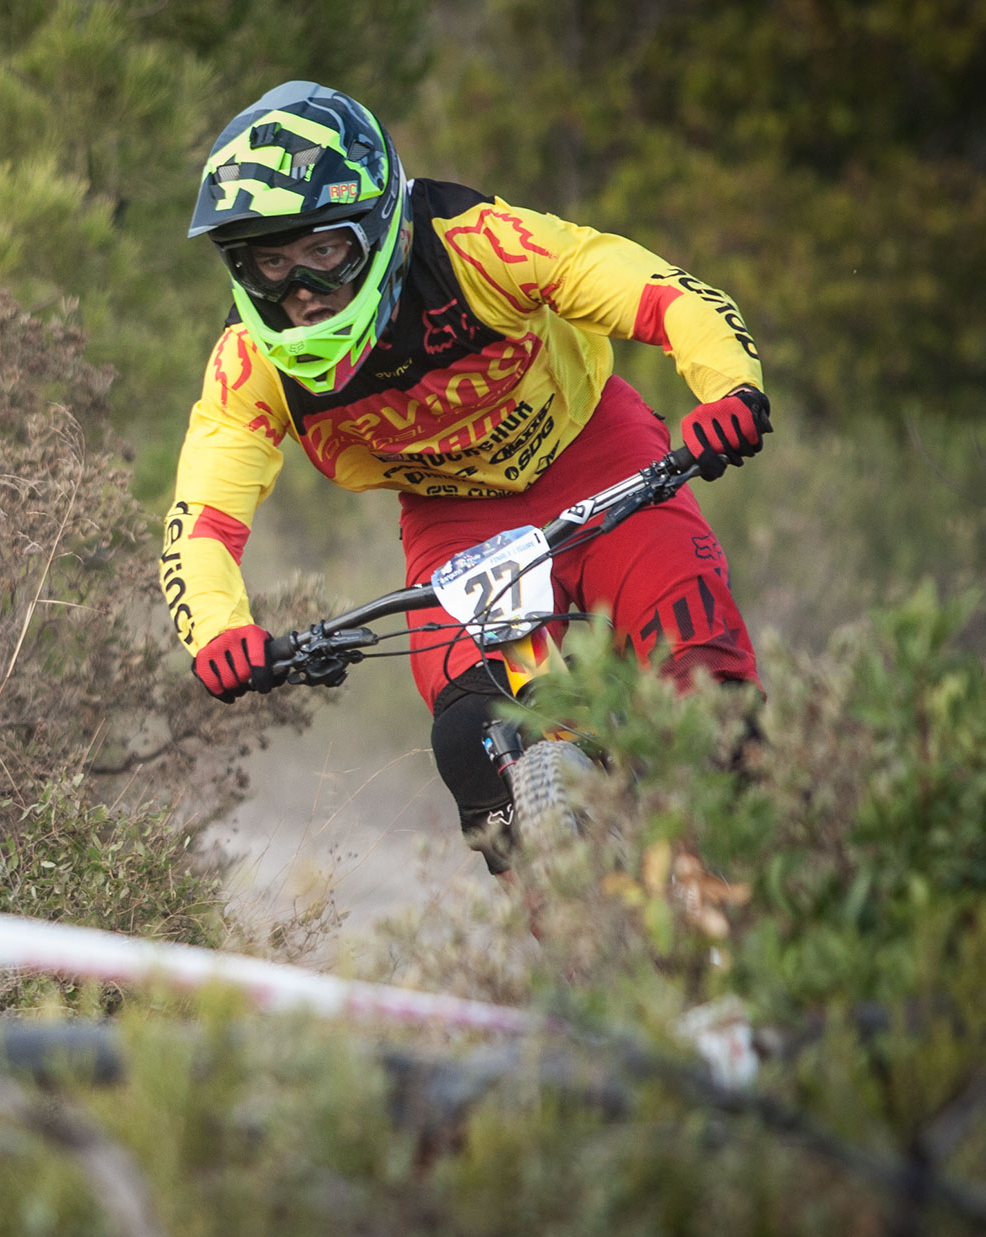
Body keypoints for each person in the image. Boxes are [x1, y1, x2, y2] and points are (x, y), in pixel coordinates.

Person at [160, 81, 769, 874]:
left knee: (709, 698)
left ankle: (770, 911)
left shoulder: (478, 246)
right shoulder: (249, 365)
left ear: (377, 229)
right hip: (454, 518)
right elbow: (203, 516)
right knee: (467, 738)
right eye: (268, 263)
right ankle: (569, 956)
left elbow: (642, 284)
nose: (299, 293)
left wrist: (729, 388)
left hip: (600, 459)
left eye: (322, 252)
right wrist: (216, 630)